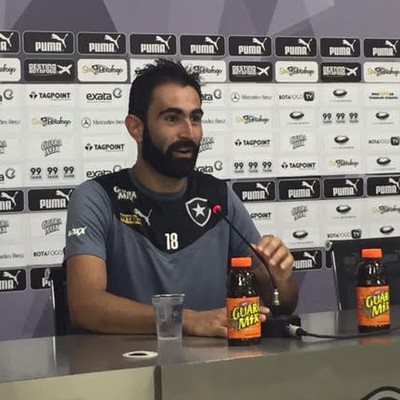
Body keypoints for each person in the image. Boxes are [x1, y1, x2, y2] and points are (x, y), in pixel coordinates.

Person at [64, 58, 298, 337]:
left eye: (195, 118)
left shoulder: (218, 198)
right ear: (136, 128)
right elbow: (85, 305)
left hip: (214, 371)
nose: (188, 133)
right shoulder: (96, 198)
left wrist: (272, 278)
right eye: (172, 118)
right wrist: (184, 320)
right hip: (127, 369)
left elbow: (282, 304)